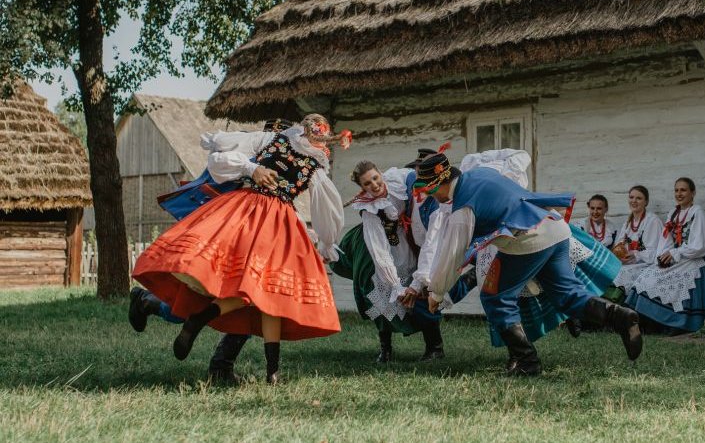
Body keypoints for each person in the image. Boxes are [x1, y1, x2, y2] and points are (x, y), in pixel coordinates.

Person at [132, 114, 347, 384]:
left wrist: (323, 244)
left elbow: (319, 211)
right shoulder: (263, 144)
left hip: (270, 227)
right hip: (240, 221)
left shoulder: (314, 167)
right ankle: (148, 302)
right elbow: (220, 160)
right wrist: (251, 169)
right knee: (204, 290)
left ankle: (224, 365)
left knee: (260, 293)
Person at [419, 152, 642, 376]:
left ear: (438, 184)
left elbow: (452, 255)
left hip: (528, 239)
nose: (429, 196)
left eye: (428, 190)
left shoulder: (462, 209)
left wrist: (437, 294)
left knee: (495, 296)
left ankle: (527, 361)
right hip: (555, 228)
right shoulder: (482, 173)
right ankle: (620, 316)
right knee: (566, 294)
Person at [330, 159, 462, 363]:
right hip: (383, 248)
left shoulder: (398, 181)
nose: (374, 185)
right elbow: (379, 250)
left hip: (408, 239)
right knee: (379, 296)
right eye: (367, 183)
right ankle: (386, 349)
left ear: (380, 173)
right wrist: (394, 285)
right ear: (362, 187)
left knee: (421, 290)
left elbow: (417, 184)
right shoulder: (370, 210)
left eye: (375, 178)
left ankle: (434, 347)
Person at [624, 178, 705, 333]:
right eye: (676, 190)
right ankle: (648, 323)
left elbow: (699, 247)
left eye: (683, 190)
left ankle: (672, 323)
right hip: (675, 258)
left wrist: (675, 252)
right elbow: (666, 240)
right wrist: (661, 257)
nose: (679, 193)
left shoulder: (697, 212)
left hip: (693, 260)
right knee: (647, 277)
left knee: (668, 281)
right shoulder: (673, 213)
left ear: (693, 193)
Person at [608, 186, 663, 302]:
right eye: (631, 197)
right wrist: (618, 257)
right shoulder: (628, 223)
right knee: (607, 270)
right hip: (628, 263)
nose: (634, 201)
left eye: (639, 198)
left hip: (645, 264)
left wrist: (636, 255)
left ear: (646, 202)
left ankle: (616, 303)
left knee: (623, 273)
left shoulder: (653, 221)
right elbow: (618, 246)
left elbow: (655, 252)